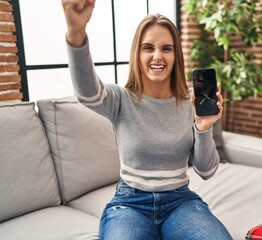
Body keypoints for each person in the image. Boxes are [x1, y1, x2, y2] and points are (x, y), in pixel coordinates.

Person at [61, 0, 232, 239]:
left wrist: (203, 128)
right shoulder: (120, 99)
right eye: (148, 47)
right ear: (137, 54)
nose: (157, 56)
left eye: (166, 48)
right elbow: (88, 93)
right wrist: (76, 33)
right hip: (130, 204)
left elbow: (207, 171)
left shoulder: (189, 103)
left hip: (180, 201)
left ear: (175, 55)